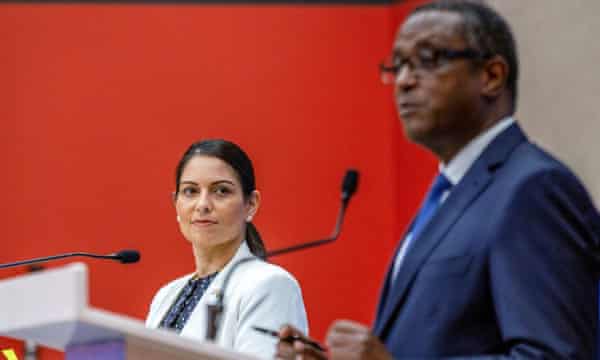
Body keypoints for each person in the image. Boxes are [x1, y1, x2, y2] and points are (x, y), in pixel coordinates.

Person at [276, 1, 600, 358]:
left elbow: (555, 355)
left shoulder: (533, 188)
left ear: (491, 76)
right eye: (397, 65)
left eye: (428, 59)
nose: (404, 80)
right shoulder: (452, 190)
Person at [146, 139, 308, 359]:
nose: (202, 204)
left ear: (251, 204)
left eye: (221, 191)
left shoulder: (270, 285)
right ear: (176, 204)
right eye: (190, 191)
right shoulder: (165, 296)